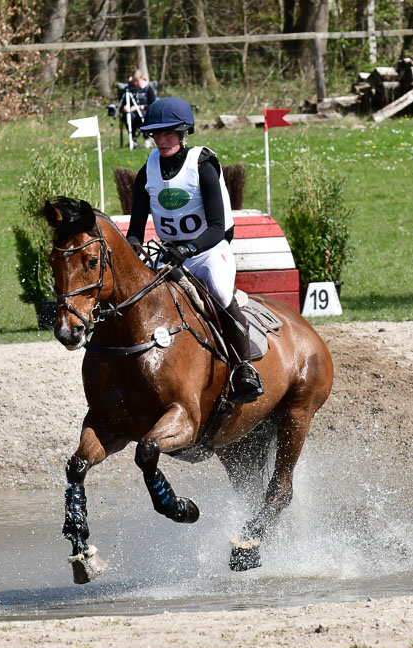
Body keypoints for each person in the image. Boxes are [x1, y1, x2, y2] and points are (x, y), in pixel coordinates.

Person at [126, 97, 264, 404]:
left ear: (183, 132)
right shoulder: (147, 172)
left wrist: (188, 248)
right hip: (168, 254)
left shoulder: (202, 166)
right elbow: (135, 229)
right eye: (156, 134)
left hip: (208, 251)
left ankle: (245, 368)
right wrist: (133, 246)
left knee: (220, 293)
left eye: (168, 133)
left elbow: (217, 226)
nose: (161, 140)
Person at [121, 70, 157, 146]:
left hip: (145, 112)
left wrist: (139, 107)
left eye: (137, 81)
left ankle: (147, 138)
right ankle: (133, 139)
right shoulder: (129, 89)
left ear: (142, 79)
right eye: (133, 81)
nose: (135, 83)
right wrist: (125, 107)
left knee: (142, 116)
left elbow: (153, 104)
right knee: (129, 116)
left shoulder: (148, 88)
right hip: (132, 113)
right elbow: (123, 103)